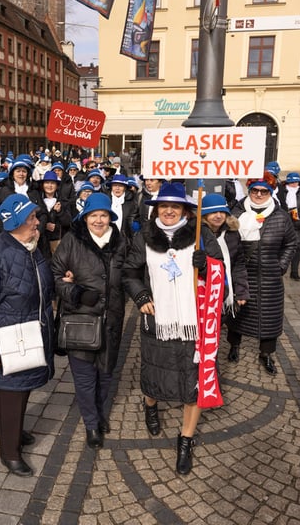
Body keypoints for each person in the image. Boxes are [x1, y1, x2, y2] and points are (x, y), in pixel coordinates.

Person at [122, 183, 223, 474]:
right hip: (158, 321)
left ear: (186, 211)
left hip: (194, 323)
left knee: (194, 380)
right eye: (163, 206)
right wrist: (141, 296)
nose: (168, 211)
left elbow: (220, 272)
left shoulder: (200, 235)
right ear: (156, 209)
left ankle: (186, 439)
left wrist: (205, 266)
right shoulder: (144, 236)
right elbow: (130, 272)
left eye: (175, 206)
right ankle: (151, 405)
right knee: (154, 370)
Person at [0, 194, 55, 477]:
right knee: (9, 397)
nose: (36, 222)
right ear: (15, 223)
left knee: (20, 393)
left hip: (28, 336)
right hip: (7, 342)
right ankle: (10, 452)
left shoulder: (30, 246)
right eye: (31, 218)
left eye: (35, 216)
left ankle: (15, 431)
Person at [52, 193, 127, 449]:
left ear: (110, 217)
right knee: (85, 378)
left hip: (112, 320)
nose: (98, 220)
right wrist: (75, 292)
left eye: (103, 215)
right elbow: (56, 275)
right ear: (85, 218)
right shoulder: (72, 241)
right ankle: (92, 424)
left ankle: (100, 412)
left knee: (106, 375)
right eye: (93, 215)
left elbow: (130, 274)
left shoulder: (120, 242)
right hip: (81, 320)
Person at [227, 178, 297, 374]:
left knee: (269, 318)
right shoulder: (236, 213)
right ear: (249, 190)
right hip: (242, 273)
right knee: (238, 313)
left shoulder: (280, 216)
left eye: (263, 191)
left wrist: (281, 265)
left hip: (270, 277)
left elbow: (291, 243)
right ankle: (234, 345)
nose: (258, 194)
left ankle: (266, 354)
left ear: (270, 192)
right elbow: (227, 240)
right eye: (254, 190)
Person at [200, 194, 249, 315]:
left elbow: (238, 264)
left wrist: (241, 290)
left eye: (222, 212)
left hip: (225, 291)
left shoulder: (232, 234)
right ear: (204, 215)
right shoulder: (197, 235)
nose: (218, 216)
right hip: (202, 292)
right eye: (213, 212)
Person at [276, 172, 300, 281]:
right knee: (281, 247)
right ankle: (278, 268)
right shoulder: (281, 191)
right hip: (283, 224)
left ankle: (294, 271)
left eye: (296, 182)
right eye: (291, 182)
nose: (294, 184)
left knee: (297, 248)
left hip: (298, 226)